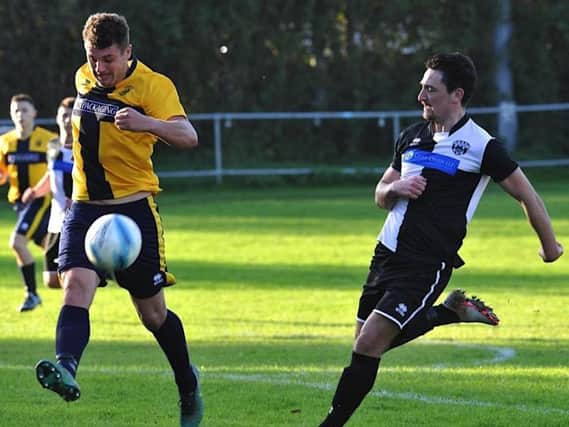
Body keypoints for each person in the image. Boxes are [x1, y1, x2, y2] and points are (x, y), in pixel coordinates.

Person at [319, 52, 564, 426]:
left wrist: (550, 246)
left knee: (369, 343)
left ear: (457, 95)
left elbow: (526, 195)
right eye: (421, 87)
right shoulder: (411, 137)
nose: (421, 96)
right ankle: (448, 313)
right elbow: (381, 194)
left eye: (430, 89)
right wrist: (396, 187)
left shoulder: (482, 146)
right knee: (364, 344)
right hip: (385, 255)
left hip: (426, 263)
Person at [34, 13, 203, 427]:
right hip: (85, 207)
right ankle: (67, 367)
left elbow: (189, 137)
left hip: (134, 212)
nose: (100, 68)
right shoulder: (83, 79)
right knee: (74, 286)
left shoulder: (153, 86)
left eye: (108, 58)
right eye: (93, 58)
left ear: (128, 52)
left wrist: (146, 123)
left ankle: (187, 384)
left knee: (153, 315)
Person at [0, 94, 57, 312]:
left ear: (34, 113)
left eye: (24, 110)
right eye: (15, 111)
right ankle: (93, 268)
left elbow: (59, 170)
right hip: (20, 205)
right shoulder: (5, 142)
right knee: (48, 246)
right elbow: (3, 172)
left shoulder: (49, 139)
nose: (20, 115)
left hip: (40, 200)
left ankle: (31, 294)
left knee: (17, 242)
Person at [22, 97, 75, 289]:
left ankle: (77, 300)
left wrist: (77, 200)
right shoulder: (52, 146)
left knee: (71, 277)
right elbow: (52, 175)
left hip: (75, 220)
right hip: (56, 220)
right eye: (64, 116)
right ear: (58, 118)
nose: (67, 120)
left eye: (72, 116)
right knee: (51, 280)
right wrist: (35, 191)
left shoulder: (83, 148)